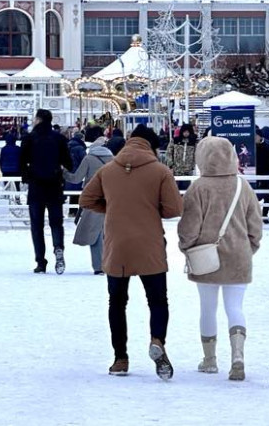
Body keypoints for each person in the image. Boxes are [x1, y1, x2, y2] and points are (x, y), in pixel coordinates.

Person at [78, 125, 184, 378]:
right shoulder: (160, 171)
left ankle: (120, 359)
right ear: (151, 146)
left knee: (117, 302)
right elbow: (172, 209)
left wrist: (113, 207)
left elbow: (86, 200)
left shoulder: (108, 170)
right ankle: (157, 341)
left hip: (117, 244)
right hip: (149, 244)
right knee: (157, 300)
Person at [177, 137, 263, 382]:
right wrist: (249, 247)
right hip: (239, 256)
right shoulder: (242, 186)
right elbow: (255, 225)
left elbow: (189, 227)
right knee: (235, 307)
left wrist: (187, 248)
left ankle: (210, 359)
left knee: (208, 308)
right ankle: (238, 356)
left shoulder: (198, 188)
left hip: (206, 257)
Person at [19, 109, 73, 274]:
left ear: (39, 119)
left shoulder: (29, 138)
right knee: (56, 223)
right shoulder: (59, 139)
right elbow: (69, 163)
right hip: (55, 186)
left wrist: (28, 176)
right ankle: (58, 247)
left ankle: (41, 261)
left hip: (36, 187)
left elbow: (21, 162)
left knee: (37, 226)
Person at [65, 135, 115, 274]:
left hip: (93, 199)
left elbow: (76, 179)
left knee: (95, 234)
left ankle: (99, 266)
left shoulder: (89, 159)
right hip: (111, 199)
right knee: (109, 234)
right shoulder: (114, 160)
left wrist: (64, 173)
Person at [165, 124, 198, 190]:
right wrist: (170, 165)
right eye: (184, 131)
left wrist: (193, 165)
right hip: (176, 169)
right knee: (174, 189)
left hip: (188, 170)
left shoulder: (193, 141)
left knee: (186, 189)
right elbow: (169, 152)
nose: (186, 133)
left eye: (188, 132)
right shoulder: (175, 140)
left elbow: (196, 153)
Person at [254, 129, 269, 220]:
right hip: (254, 174)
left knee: (267, 195)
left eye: (256, 135)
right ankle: (253, 216)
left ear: (260, 136)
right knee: (253, 196)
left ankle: (265, 215)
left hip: (265, 173)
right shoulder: (251, 146)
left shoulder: (267, 146)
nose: (255, 137)